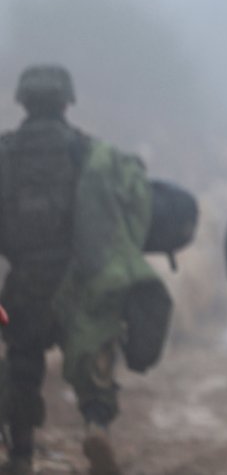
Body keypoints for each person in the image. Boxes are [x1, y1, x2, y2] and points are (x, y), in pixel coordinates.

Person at [0, 65, 161, 475]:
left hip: (22, 281)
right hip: (79, 282)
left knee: (22, 367)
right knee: (95, 361)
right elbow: (124, 209)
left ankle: (20, 454)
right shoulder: (89, 152)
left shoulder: (5, 154)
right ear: (67, 101)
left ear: (21, 101)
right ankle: (96, 424)